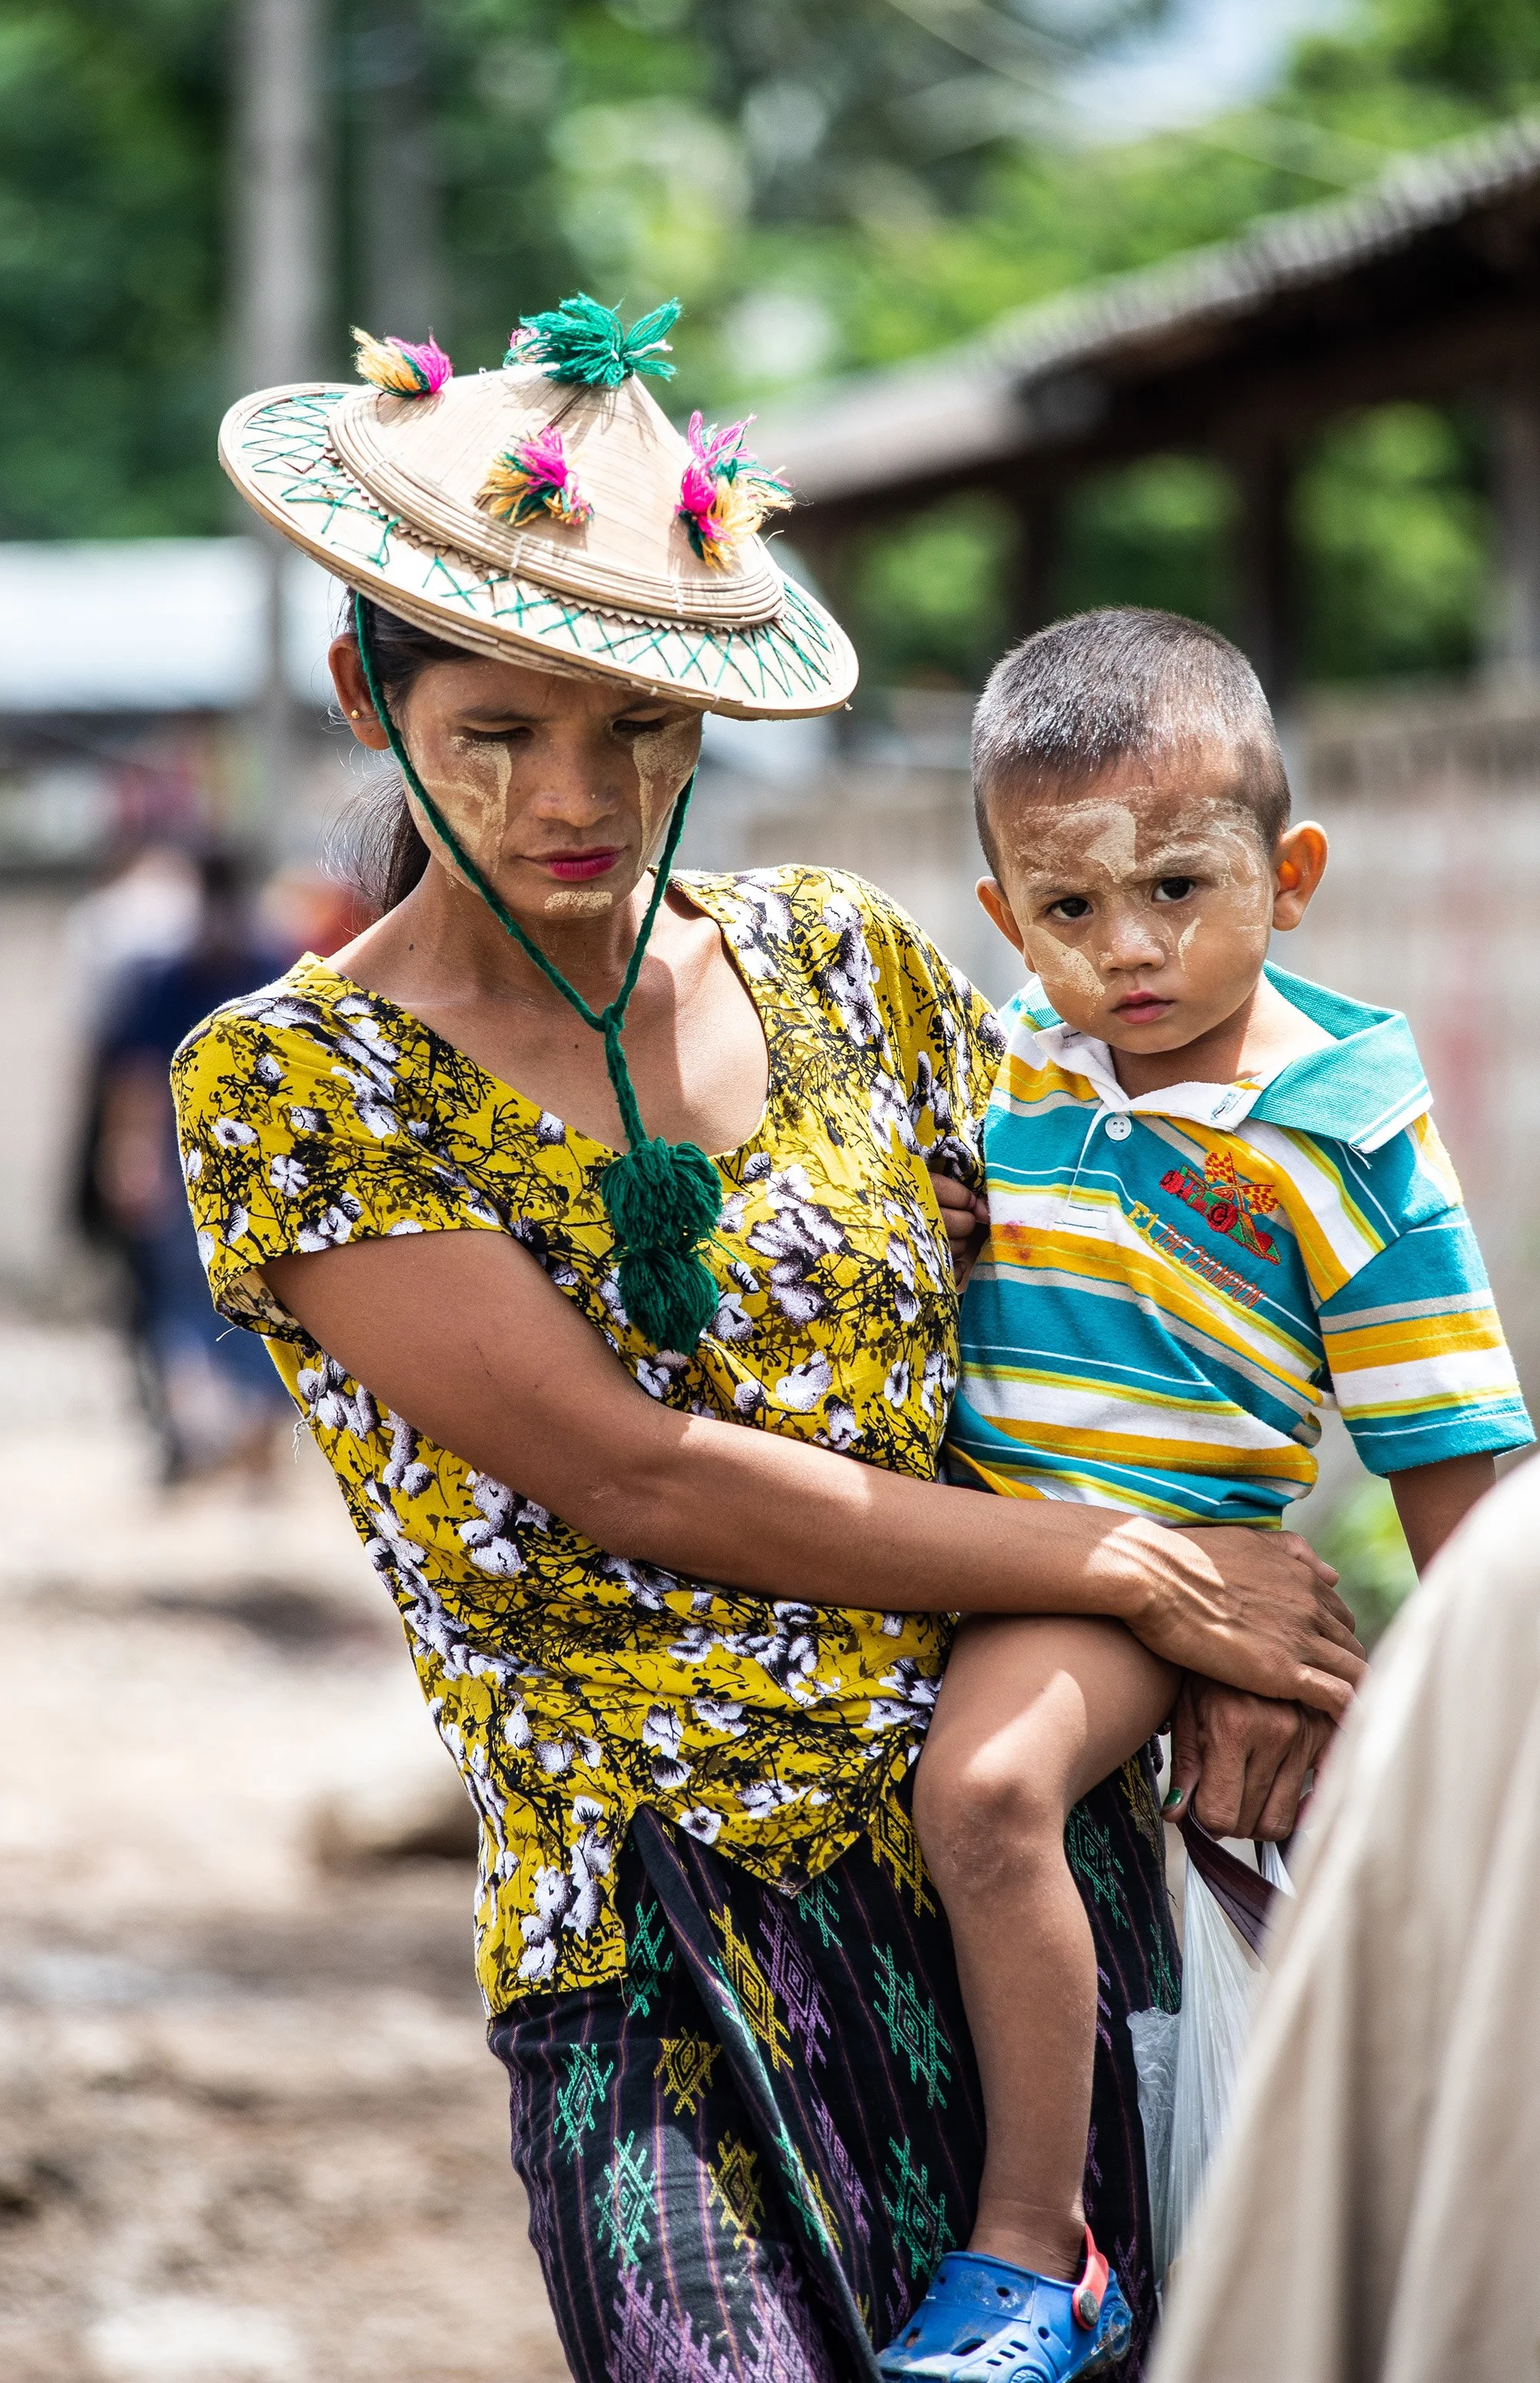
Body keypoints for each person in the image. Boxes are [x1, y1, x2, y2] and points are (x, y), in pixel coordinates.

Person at [172, 301, 1359, 2383]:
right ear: (372, 693)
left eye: (639, 728)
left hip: (1025, 1896)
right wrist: (1132, 1567)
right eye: (500, 734)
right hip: (659, 1955)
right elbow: (636, 1470)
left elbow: (1120, 1293)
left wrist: (1226, 1603)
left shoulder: (848, 962)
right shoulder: (294, 1083)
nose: (583, 796)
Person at [882, 611, 1533, 2382]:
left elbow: (1455, 1477)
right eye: (1071, 911)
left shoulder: (1348, 1140)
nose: (1130, 952)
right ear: (1005, 913)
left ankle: (1029, 2251)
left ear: (1289, 873)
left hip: (1136, 1577)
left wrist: (1407, 1740)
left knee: (988, 1790)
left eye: (1178, 888)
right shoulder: (993, 1066)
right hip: (960, 1540)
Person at [1149, 1444, 1540, 2383]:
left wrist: (1184, 1579)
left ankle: (1029, 2240)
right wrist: (1170, 1573)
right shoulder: (1508, 1578)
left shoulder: (1508, 1580)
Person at [84, 844, 295, 1480]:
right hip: (196, 1168)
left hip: (251, 1169)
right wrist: (128, 1157)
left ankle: (247, 1440)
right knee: (189, 1297)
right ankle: (223, 1439)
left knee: (246, 1298)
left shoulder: (261, 964)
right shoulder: (181, 972)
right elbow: (138, 1076)